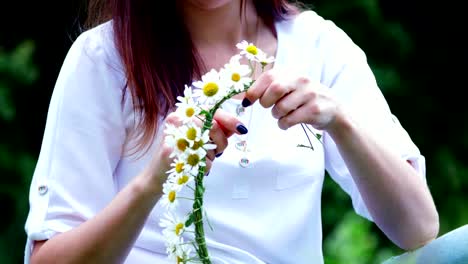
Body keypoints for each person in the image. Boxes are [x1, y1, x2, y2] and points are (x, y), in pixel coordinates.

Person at [24, 0, 440, 263]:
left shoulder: (320, 47)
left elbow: (418, 228)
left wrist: (341, 122)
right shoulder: (104, 60)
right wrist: (150, 185)